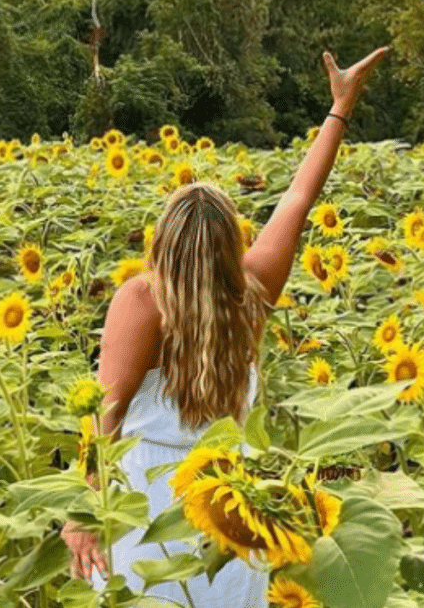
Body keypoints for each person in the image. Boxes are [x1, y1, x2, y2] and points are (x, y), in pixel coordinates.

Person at [62, 46, 391, 607]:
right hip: (229, 518)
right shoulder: (253, 292)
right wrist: (340, 108)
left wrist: (82, 513)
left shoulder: (141, 299)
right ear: (230, 243)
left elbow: (105, 418)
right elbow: (297, 198)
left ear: (162, 241)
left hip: (145, 517)